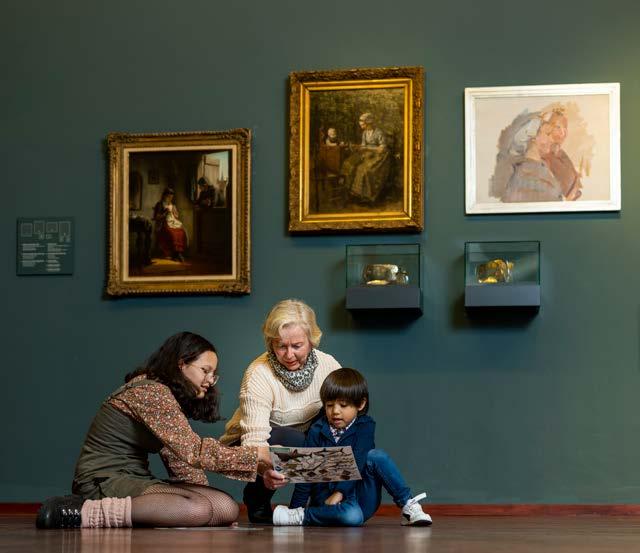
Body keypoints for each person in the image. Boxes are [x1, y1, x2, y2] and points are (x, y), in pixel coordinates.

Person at [36, 332, 277, 529]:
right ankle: (85, 511)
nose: (209, 380)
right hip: (102, 479)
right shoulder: (152, 392)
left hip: (134, 477)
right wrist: (254, 456)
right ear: (182, 364)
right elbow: (194, 451)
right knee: (199, 508)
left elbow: (179, 458)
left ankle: (180, 510)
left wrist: (213, 512)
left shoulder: (165, 394)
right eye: (205, 370)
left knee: (226, 507)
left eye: (213, 374)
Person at [219, 299, 341, 523]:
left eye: (297, 346)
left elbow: (347, 412)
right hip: (254, 441)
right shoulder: (258, 374)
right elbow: (254, 442)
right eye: (281, 346)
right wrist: (264, 471)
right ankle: (257, 496)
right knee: (293, 438)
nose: (289, 354)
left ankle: (320, 503)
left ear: (312, 340)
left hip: (306, 437)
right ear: (270, 343)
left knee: (328, 429)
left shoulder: (328, 366)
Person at [272, 368, 432, 527]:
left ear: (360, 404)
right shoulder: (317, 430)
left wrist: (340, 492)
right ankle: (301, 515)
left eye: (343, 405)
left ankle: (408, 506)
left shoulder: (365, 426)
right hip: (327, 499)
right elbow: (305, 474)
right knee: (351, 516)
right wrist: (293, 510)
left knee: (376, 456)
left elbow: (358, 459)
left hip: (359, 495)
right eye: (329, 405)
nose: (335, 411)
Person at [501, 112, 564, 203]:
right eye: (547, 134)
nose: (551, 140)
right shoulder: (526, 173)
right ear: (533, 137)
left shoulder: (541, 167)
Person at [341, 113, 392, 203]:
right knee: (349, 164)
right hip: (368, 153)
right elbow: (363, 145)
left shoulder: (379, 132)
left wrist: (367, 149)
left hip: (379, 155)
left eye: (363, 125)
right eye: (361, 125)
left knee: (364, 170)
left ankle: (367, 196)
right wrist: (357, 146)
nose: (361, 127)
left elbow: (382, 149)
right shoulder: (365, 132)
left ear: (369, 123)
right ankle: (352, 192)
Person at [540, 109, 582, 201]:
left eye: (565, 128)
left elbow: (577, 184)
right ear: (547, 129)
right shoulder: (543, 158)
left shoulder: (562, 154)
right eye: (558, 127)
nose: (563, 132)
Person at [153, 187, 187, 261]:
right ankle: (175, 254)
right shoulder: (160, 204)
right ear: (164, 196)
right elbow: (156, 217)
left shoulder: (172, 205)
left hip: (172, 222)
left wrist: (175, 212)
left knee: (181, 232)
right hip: (163, 223)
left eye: (171, 197)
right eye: (168, 196)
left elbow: (176, 216)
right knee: (172, 233)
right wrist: (165, 213)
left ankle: (178, 253)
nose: (170, 198)